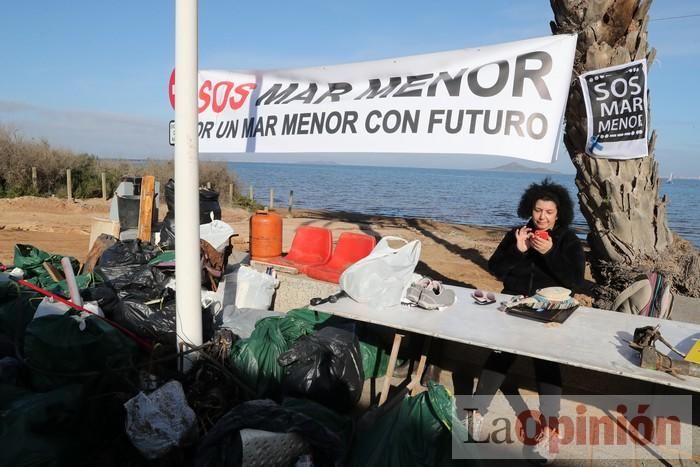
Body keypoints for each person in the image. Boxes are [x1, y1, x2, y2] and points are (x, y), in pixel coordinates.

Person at [467, 178, 585, 461]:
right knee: (499, 355)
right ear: (529, 210)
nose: (542, 217)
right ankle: (477, 412)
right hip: (515, 304)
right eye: (537, 210)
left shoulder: (568, 240)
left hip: (549, 309)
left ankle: (551, 429)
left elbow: (575, 282)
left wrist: (551, 253)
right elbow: (496, 269)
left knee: (546, 363)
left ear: (559, 214)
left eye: (549, 212)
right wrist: (517, 251)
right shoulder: (518, 234)